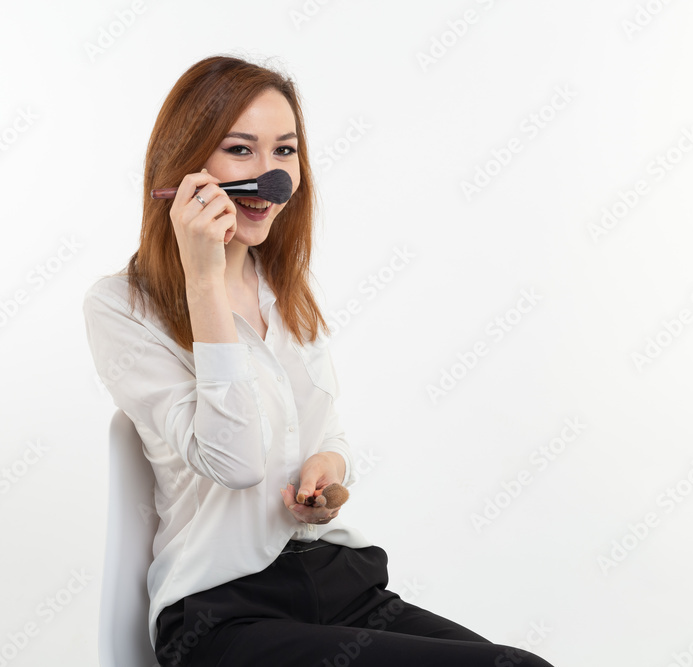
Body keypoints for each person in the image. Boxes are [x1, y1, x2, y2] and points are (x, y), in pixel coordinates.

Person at [83, 54, 556, 667]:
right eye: (241, 150)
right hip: (224, 615)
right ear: (187, 164)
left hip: (336, 583)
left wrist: (328, 470)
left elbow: (325, 431)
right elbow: (235, 463)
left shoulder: (285, 288)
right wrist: (205, 281)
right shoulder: (121, 307)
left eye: (285, 151)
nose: (271, 175)